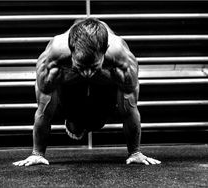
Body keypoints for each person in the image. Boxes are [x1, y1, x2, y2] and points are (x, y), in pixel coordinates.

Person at [13, 18, 161, 166]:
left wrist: (135, 152)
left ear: (106, 49)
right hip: (69, 84)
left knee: (97, 122)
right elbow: (43, 110)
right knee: (75, 125)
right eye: (81, 66)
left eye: (93, 67)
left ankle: (90, 115)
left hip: (105, 85)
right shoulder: (53, 60)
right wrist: (37, 153)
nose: (88, 73)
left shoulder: (122, 60)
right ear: (70, 50)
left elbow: (130, 109)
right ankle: (73, 122)